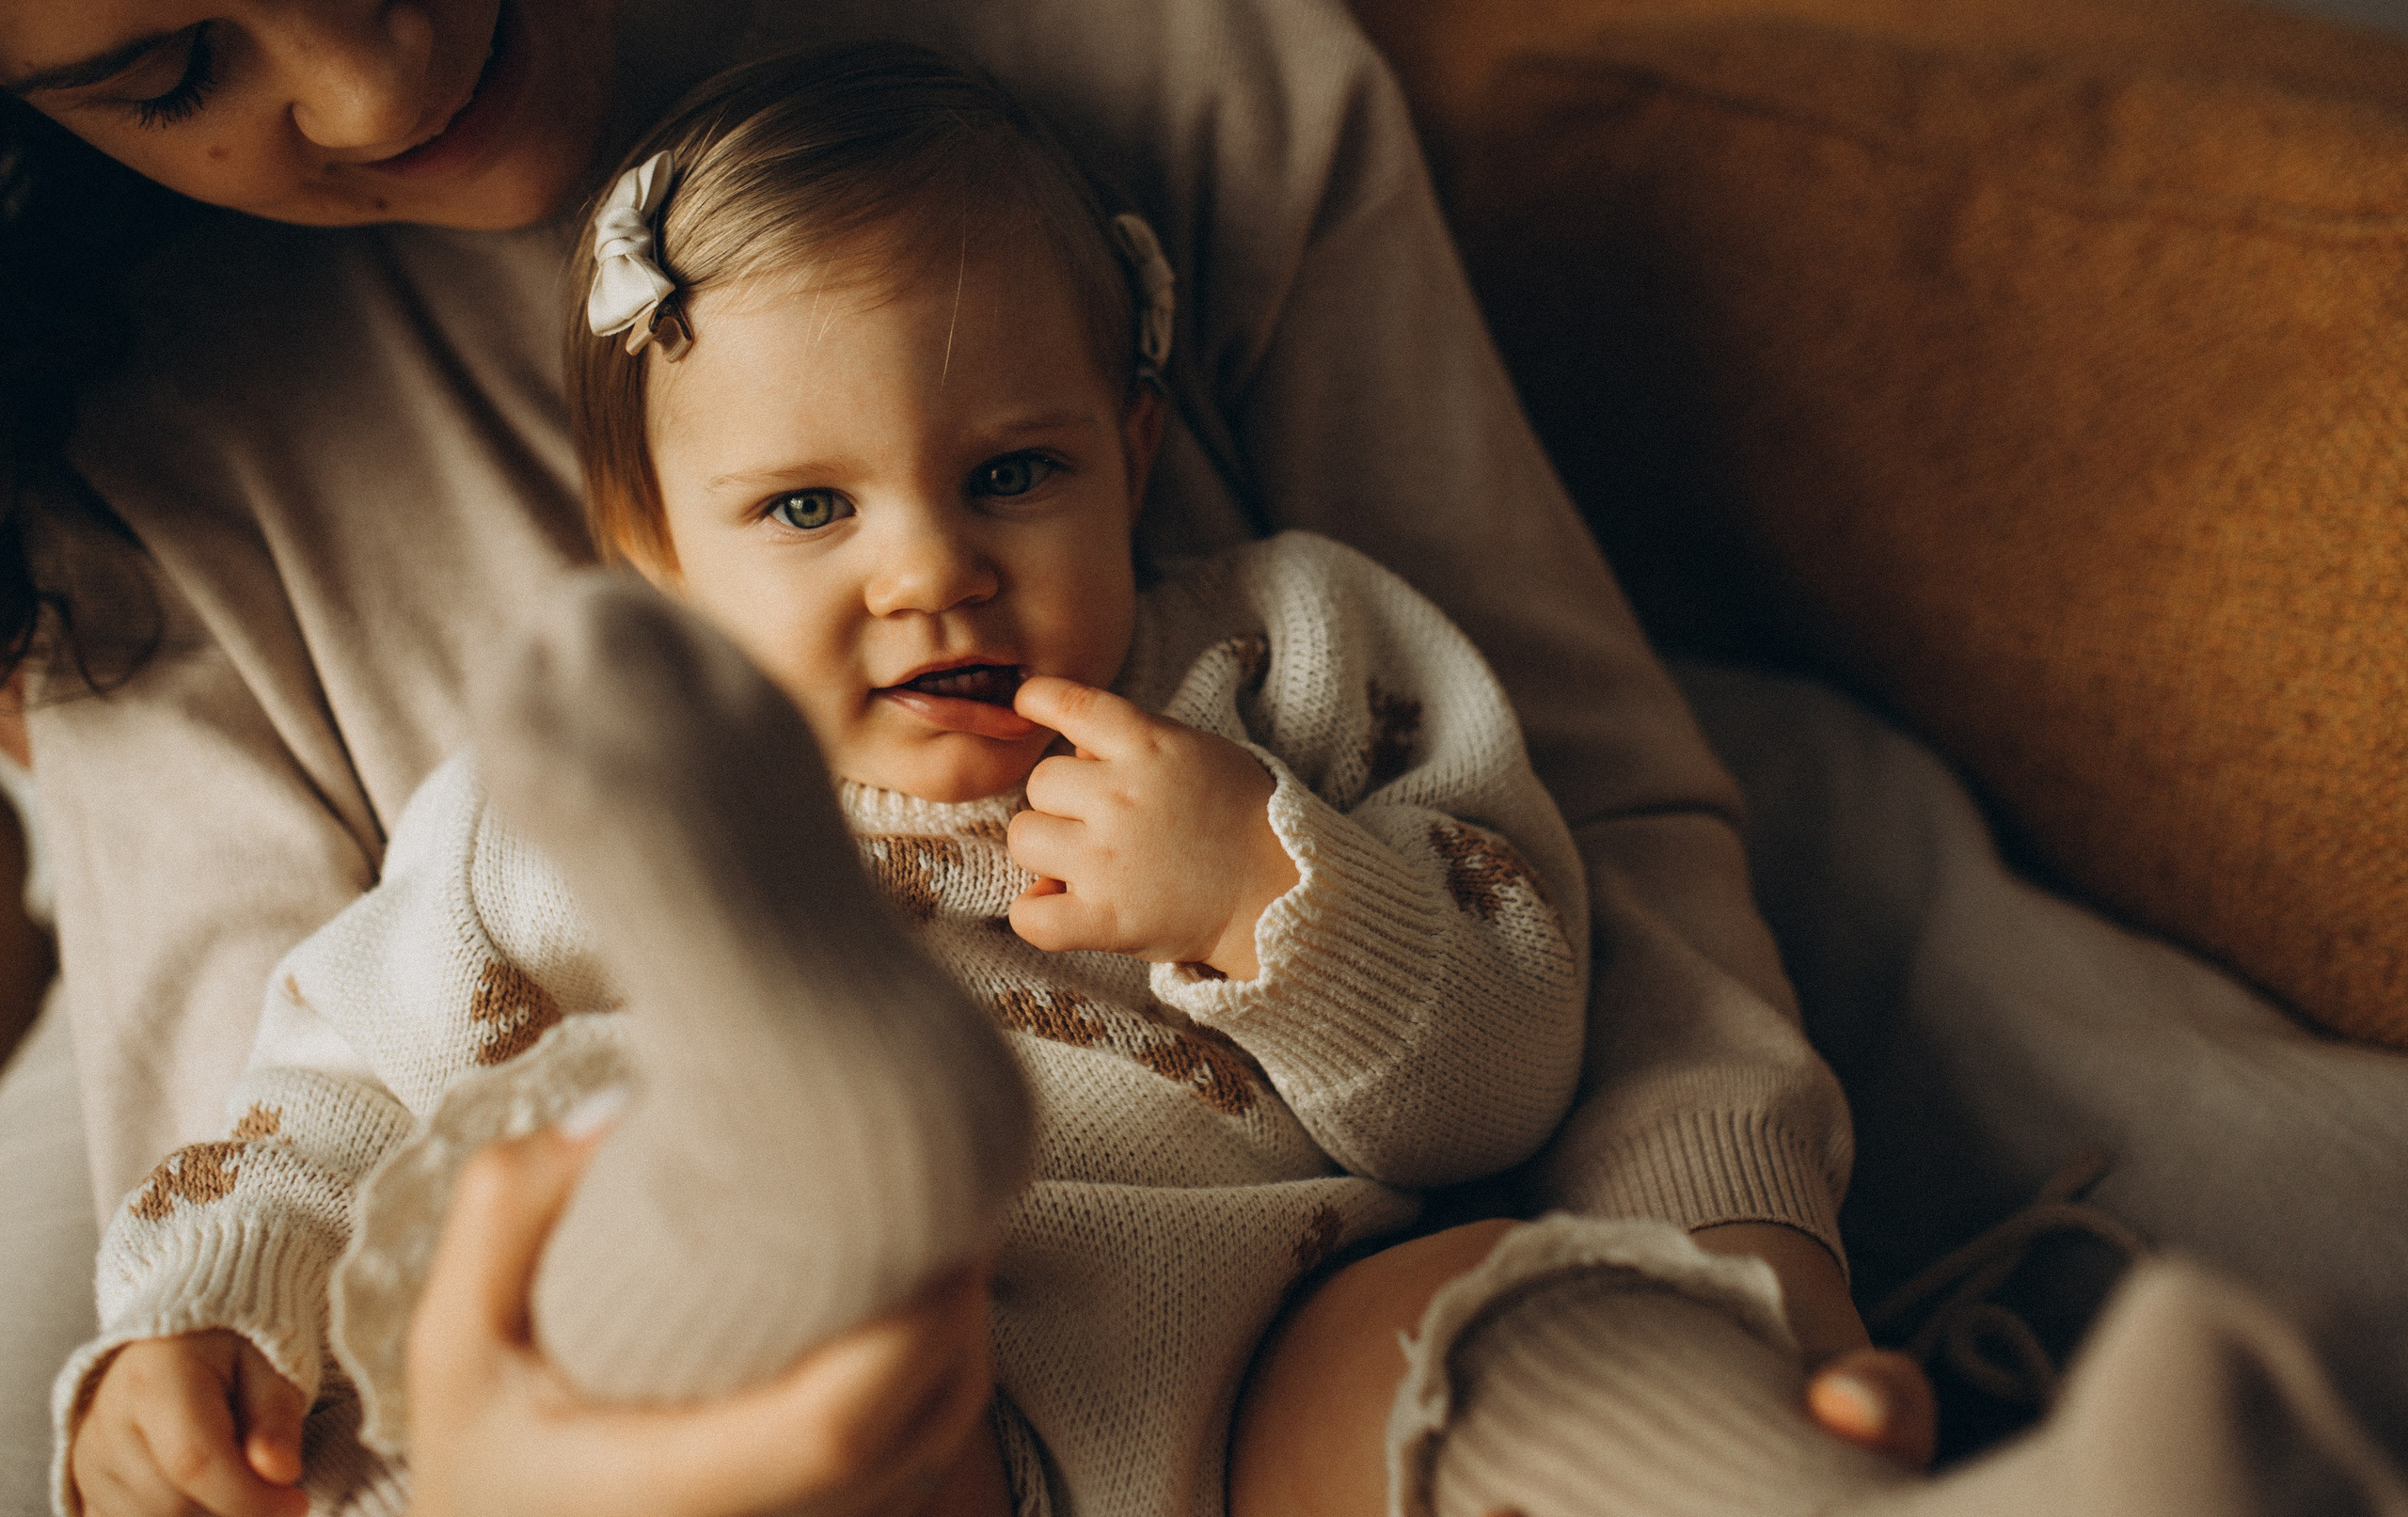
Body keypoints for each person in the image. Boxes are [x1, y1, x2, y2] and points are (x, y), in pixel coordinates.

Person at [6, 0, 1908, 1509]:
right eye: (807, 507)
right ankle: (790, 1103)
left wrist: (1286, 909)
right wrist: (198, 1330)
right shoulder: (544, 814)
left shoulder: (1286, 661)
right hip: (814, 1413)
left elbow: (1522, 1026)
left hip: (1256, 1364)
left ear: (1133, 449)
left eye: (1012, 473)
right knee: (655, 1291)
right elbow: (311, 1102)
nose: (928, 568)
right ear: (651, 547)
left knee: (1506, 1338)